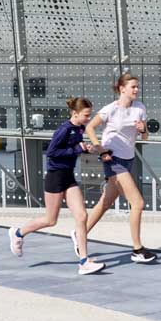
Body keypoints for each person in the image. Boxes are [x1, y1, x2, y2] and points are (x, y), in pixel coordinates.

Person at [9, 97, 105, 275]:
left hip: (68, 176)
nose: (88, 118)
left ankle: (84, 261)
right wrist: (77, 149)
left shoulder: (79, 128)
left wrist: (85, 148)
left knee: (82, 216)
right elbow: (52, 152)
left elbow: (75, 146)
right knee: (50, 220)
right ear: (75, 114)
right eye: (86, 115)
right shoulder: (64, 129)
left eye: (89, 115)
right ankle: (18, 233)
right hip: (55, 177)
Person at [82, 73, 157, 264]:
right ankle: (137, 249)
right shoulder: (111, 109)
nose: (136, 90)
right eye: (133, 87)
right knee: (138, 203)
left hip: (128, 159)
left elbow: (145, 138)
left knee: (105, 202)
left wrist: (143, 129)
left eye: (137, 87)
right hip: (112, 158)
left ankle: (79, 234)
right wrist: (99, 148)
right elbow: (89, 128)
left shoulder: (140, 108)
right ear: (121, 89)